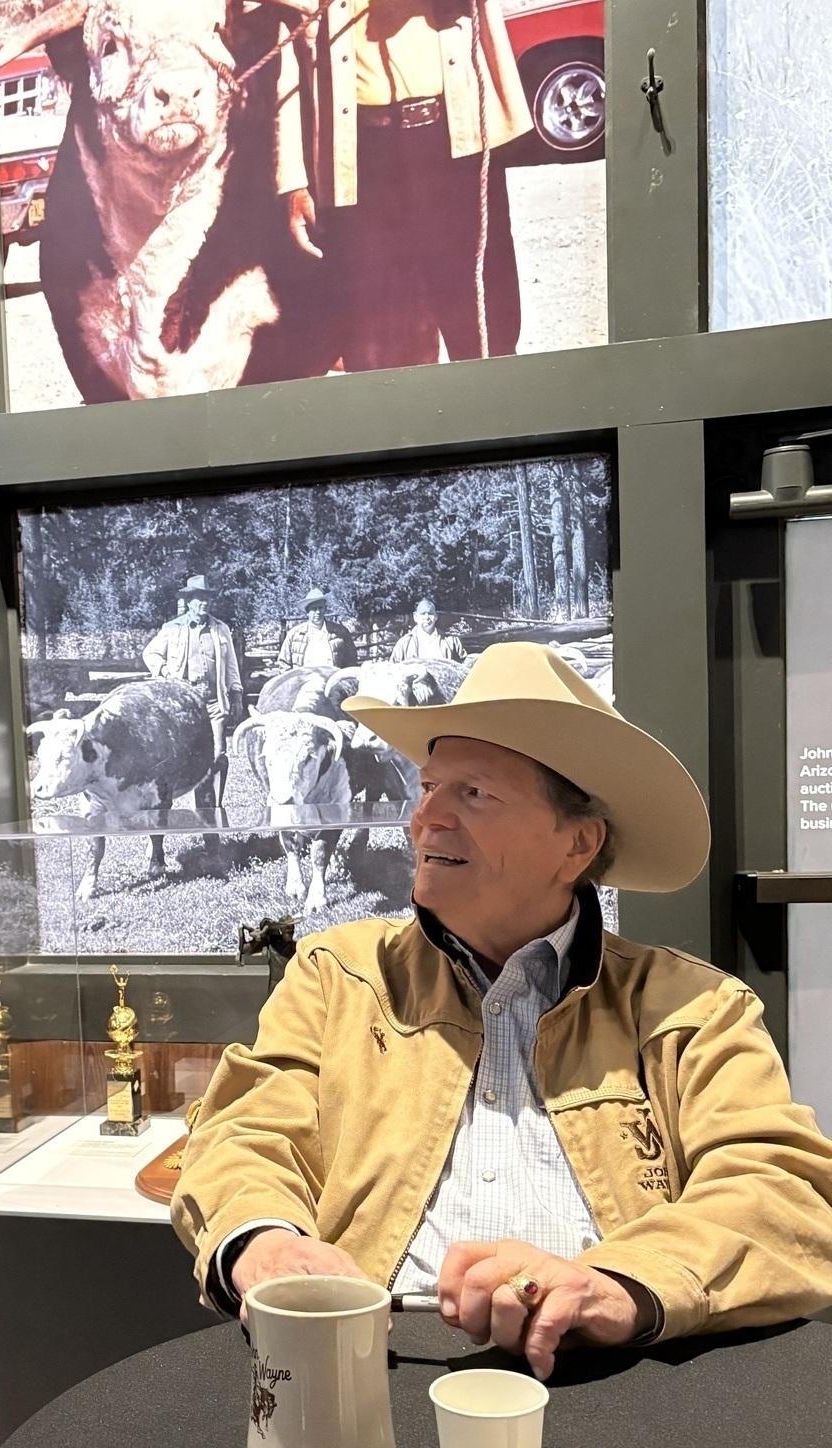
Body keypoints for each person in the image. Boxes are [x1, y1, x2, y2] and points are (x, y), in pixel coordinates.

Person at [172, 643, 832, 1380]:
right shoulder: (340, 976)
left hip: (619, 1379)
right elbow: (246, 1134)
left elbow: (782, 1194)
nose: (425, 818)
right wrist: (265, 1242)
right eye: (428, 787)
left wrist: (617, 1283)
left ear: (578, 843)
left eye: (474, 793)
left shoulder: (691, 1008)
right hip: (366, 1373)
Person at [277, 0, 532, 372]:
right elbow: (286, 60)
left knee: (484, 330)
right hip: (360, 157)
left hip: (455, 141)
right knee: (376, 343)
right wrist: (293, 180)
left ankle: (495, 407)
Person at [142, 577, 244, 807]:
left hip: (214, 702)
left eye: (206, 598)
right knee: (177, 756)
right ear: (189, 602)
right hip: (182, 705)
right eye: (198, 598)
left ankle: (211, 809)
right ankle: (166, 807)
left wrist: (236, 694)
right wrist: (166, 672)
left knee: (217, 755)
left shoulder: (220, 629)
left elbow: (231, 666)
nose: (204, 603)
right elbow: (150, 653)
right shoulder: (173, 629)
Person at [273, 588, 359, 672]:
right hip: (304, 680)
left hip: (331, 678)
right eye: (314, 609)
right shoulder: (295, 634)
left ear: (325, 609)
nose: (318, 612)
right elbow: (284, 664)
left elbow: (351, 662)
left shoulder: (340, 632)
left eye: (320, 608)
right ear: (307, 612)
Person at [391, 597, 468, 664]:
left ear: (436, 616)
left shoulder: (451, 641)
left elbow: (464, 667)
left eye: (430, 613)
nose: (427, 617)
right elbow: (393, 670)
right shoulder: (404, 644)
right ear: (415, 617)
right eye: (423, 613)